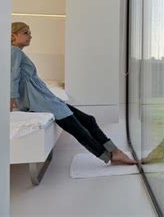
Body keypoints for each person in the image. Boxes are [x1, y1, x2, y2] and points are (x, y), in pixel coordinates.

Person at [10, 22, 136, 165]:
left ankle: (114, 152)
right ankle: (111, 155)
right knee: (79, 130)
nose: (30, 36)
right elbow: (13, 77)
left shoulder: (16, 52)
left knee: (88, 120)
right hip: (42, 101)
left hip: (46, 99)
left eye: (30, 33)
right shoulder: (14, 51)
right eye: (26, 33)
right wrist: (12, 100)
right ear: (13, 35)